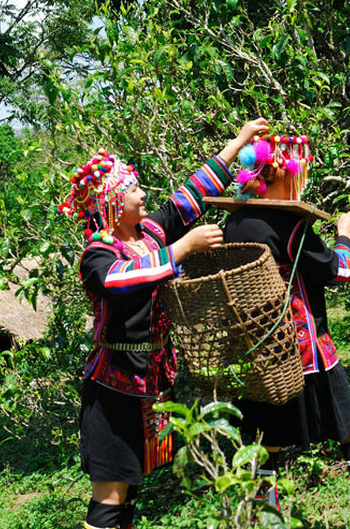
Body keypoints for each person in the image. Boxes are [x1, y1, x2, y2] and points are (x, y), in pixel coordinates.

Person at [59, 118, 270, 529]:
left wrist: (238, 142)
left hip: (151, 385)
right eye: (134, 190)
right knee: (110, 498)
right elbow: (120, 279)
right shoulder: (97, 256)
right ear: (113, 204)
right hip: (113, 393)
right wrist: (181, 249)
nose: (143, 195)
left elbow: (189, 196)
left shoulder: (149, 234)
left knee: (129, 494)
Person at [224, 134, 350, 529]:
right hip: (306, 353)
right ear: (283, 173)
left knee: (266, 444)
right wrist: (345, 234)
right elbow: (341, 269)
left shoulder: (235, 221)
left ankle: (265, 522)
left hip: (260, 355)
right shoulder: (289, 225)